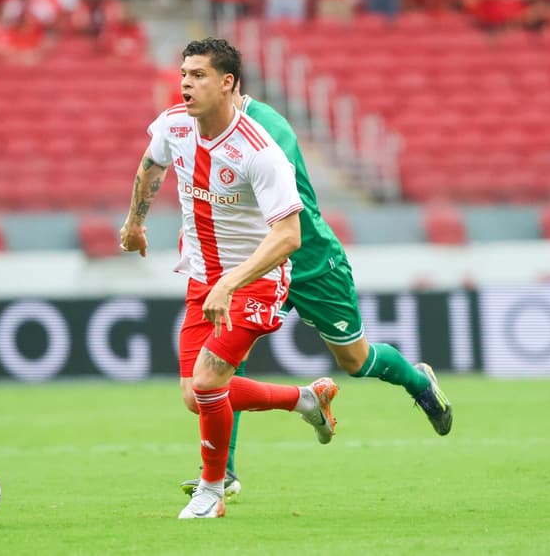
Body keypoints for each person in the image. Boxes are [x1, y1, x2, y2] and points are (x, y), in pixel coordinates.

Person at [178, 88, 453, 499]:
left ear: (230, 85)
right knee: (224, 361)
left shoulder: (267, 129)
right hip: (257, 265)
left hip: (309, 260)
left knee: (355, 360)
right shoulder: (206, 129)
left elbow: (277, 203)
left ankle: (418, 381)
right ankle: (223, 471)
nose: (191, 90)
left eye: (201, 78)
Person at [119, 37, 339, 519]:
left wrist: (231, 281)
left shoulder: (259, 151)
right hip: (202, 278)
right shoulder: (174, 126)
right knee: (196, 397)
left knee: (208, 381)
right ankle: (306, 400)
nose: (185, 84)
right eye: (183, 74)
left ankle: (213, 491)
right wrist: (136, 221)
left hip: (255, 280)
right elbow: (150, 163)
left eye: (197, 76)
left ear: (227, 83)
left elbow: (288, 236)